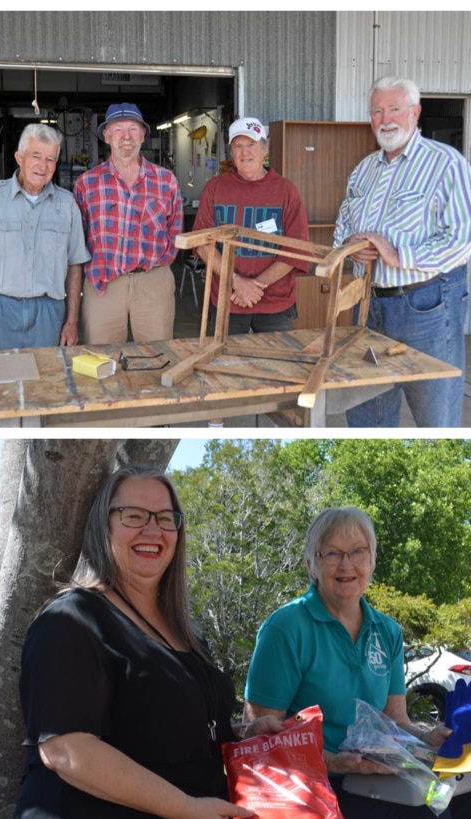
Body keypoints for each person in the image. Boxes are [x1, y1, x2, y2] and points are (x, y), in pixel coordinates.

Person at [14, 464, 272, 818]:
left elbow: (183, 731)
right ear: (104, 525)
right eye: (133, 515)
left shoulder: (187, 631)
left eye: (166, 518)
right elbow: (65, 748)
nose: (153, 529)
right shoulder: (72, 618)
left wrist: (249, 734)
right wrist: (183, 807)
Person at [244, 507, 458, 818]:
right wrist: (331, 760)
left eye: (358, 551)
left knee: (451, 806)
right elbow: (259, 734)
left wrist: (428, 740)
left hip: (378, 783)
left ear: (372, 561)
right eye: (332, 553)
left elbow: (396, 721)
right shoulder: (286, 628)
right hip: (310, 789)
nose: (346, 564)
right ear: (311, 564)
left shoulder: (387, 631)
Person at [334, 76, 471, 428]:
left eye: (394, 108)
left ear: (415, 112)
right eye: (377, 111)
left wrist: (397, 255)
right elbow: (342, 228)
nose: (385, 118)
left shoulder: (446, 164)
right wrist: (351, 249)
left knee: (434, 411)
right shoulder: (363, 170)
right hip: (368, 305)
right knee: (366, 409)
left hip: (425, 306)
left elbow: (461, 240)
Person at [192, 117, 310, 428]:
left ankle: (285, 434)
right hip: (227, 299)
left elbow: (297, 249)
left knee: (282, 373)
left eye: (251, 145)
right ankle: (215, 430)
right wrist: (236, 282)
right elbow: (203, 244)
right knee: (219, 370)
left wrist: (255, 285)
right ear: (231, 152)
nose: (245, 153)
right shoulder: (215, 188)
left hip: (277, 303)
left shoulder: (286, 191)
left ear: (265, 149)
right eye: (238, 146)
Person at [0, 122, 90, 351]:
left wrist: (72, 321)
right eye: (36, 156)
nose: (43, 166)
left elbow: (74, 267)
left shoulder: (67, 204)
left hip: (48, 311)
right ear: (19, 158)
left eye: (50, 159)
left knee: (45, 380)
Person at [74, 103, 183, 344]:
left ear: (143, 135)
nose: (126, 137)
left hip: (153, 281)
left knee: (158, 356)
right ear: (107, 136)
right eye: (118, 129)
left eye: (133, 129)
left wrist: (159, 269)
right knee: (102, 360)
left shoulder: (166, 180)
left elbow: (175, 231)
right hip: (104, 283)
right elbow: (77, 240)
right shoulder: (87, 183)